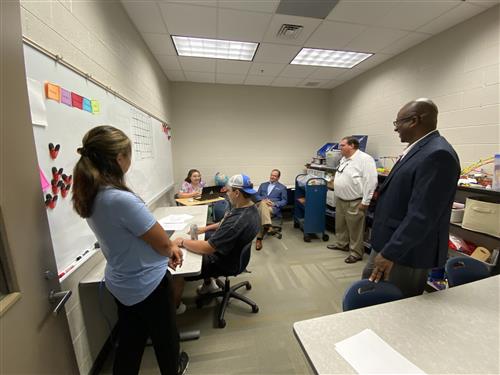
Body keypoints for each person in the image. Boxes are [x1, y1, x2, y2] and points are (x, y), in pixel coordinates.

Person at [72, 125, 189, 375]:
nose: (130, 160)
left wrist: (164, 249)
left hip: (122, 280)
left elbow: (131, 238)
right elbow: (162, 243)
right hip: (148, 283)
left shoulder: (91, 193)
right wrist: (172, 248)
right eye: (129, 154)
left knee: (130, 342)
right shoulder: (120, 198)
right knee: (166, 338)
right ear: (119, 159)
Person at [362, 98, 460, 297]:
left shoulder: (438, 154)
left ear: (414, 120)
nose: (396, 129)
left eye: (398, 122)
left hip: (405, 253)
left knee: (395, 306)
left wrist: (390, 253)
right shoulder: (419, 149)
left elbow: (422, 215)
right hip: (390, 243)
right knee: (371, 296)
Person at [172, 174, 260, 307]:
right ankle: (209, 284)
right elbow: (224, 222)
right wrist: (205, 228)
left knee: (179, 268)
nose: (226, 194)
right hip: (236, 253)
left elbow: (208, 248)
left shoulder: (237, 221)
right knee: (201, 238)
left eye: (228, 191)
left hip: (226, 261)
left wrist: (182, 242)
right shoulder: (248, 206)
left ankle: (176, 308)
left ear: (236, 193)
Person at [326, 137, 378, 263]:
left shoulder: (365, 159)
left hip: (355, 200)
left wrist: (365, 201)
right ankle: (342, 244)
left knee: (355, 229)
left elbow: (371, 181)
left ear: (352, 146)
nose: (339, 148)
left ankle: (356, 253)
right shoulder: (344, 159)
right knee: (341, 225)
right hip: (341, 198)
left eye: (342, 145)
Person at [254, 169, 288, 251]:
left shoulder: (282, 187)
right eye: (271, 175)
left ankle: (259, 239)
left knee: (260, 213)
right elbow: (257, 196)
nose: (272, 177)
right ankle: (269, 226)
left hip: (272, 208)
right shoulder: (263, 185)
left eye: (275, 176)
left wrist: (275, 204)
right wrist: (264, 200)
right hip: (260, 205)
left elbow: (284, 201)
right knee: (262, 203)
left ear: (278, 177)